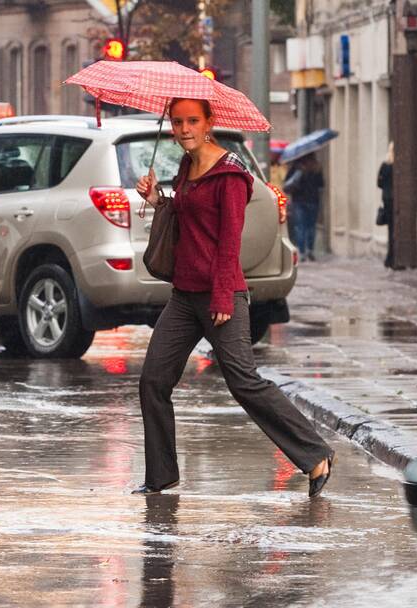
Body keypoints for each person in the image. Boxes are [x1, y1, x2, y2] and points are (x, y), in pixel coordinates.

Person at [134, 97, 334, 498]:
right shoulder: (188, 167)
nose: (184, 129)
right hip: (184, 296)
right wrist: (158, 200)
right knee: (153, 380)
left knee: (243, 381)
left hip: (221, 294)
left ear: (209, 122)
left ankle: (315, 454)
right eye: (177, 122)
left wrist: (224, 298)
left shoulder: (231, 175)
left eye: (192, 121)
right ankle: (161, 476)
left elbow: (228, 243)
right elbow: (187, 218)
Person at [283, 154, 323, 262]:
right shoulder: (316, 168)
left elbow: (287, 184)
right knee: (311, 227)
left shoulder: (296, 168)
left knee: (300, 227)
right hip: (313, 201)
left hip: (299, 201)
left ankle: (302, 252)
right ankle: (310, 250)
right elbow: (321, 185)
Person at [378, 143, 394, 269]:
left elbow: (379, 183)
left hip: (388, 199)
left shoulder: (385, 165)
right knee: (395, 230)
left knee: (391, 230)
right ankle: (393, 257)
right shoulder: (397, 166)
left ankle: (390, 258)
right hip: (394, 200)